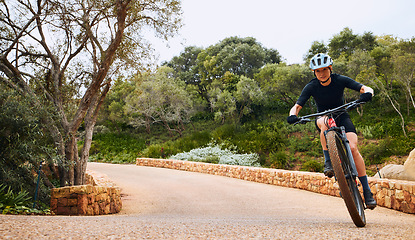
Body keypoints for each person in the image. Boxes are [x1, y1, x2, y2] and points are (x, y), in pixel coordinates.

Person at [287, 53, 377, 209]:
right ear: (314, 73)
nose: (321, 74)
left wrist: (368, 93)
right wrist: (292, 115)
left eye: (324, 70)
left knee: (354, 149)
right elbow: (297, 105)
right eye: (318, 71)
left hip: (342, 116)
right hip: (322, 117)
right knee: (325, 122)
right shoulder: (311, 86)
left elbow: (363, 88)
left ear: (330, 68)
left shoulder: (339, 80)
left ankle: (367, 191)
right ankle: (328, 161)